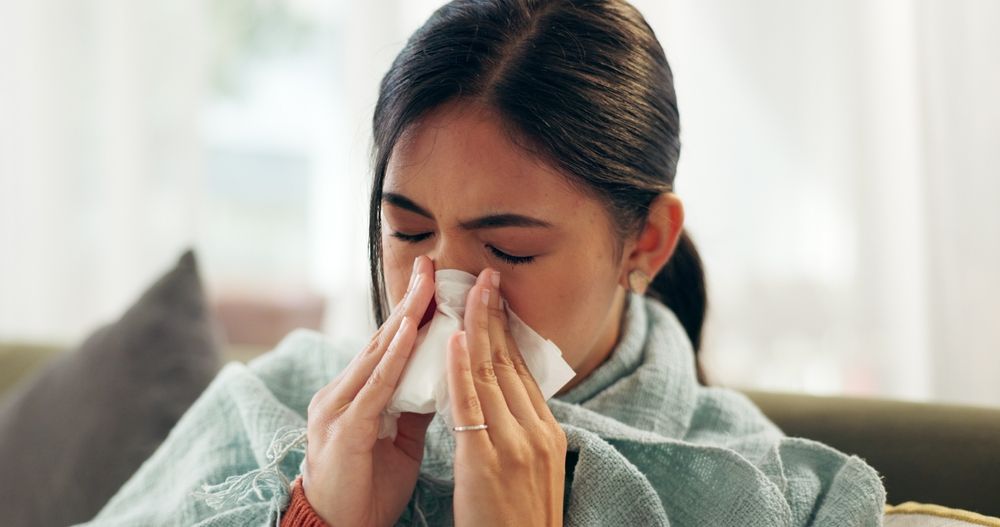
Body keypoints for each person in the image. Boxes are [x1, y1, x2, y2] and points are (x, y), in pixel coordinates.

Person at [76, 1, 886, 526]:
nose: (442, 292)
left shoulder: (766, 494)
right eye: (407, 231)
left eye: (511, 249)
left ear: (645, 243)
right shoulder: (275, 406)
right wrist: (315, 512)